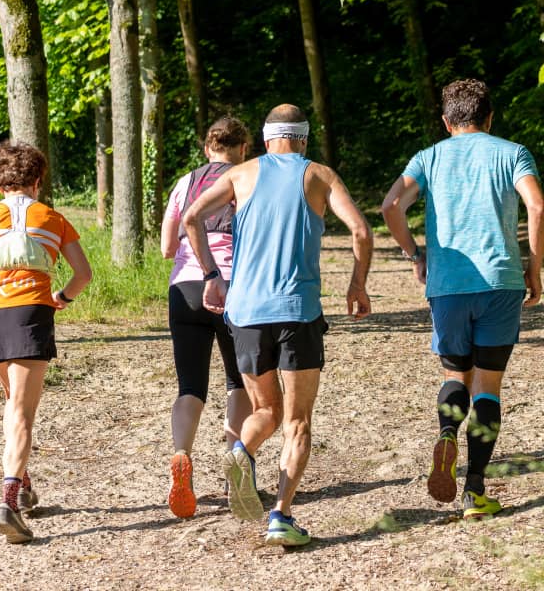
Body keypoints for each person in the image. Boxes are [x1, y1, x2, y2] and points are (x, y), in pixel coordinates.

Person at [183, 104, 373, 546]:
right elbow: (361, 231)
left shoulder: (240, 174)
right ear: (303, 138)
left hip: (246, 315)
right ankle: (281, 516)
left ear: (267, 139)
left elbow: (191, 218)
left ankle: (241, 451)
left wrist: (213, 276)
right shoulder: (319, 175)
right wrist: (357, 286)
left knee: (266, 411)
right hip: (297, 313)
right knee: (298, 421)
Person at [382, 78, 543, 519]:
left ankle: (448, 433)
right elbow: (538, 206)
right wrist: (534, 265)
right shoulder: (512, 153)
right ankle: (475, 491)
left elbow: (391, 205)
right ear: (490, 117)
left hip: (448, 285)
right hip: (501, 282)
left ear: (446, 120)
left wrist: (415, 254)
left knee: (456, 372)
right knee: (488, 385)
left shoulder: (429, 157)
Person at [0, 140, 92, 543]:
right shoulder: (54, 218)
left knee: (12, 401)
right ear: (38, 180)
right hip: (30, 311)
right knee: (23, 410)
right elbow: (83, 274)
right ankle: (8, 500)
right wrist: (61, 298)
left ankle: (24, 485)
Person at [161, 116, 253, 519]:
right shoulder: (250, 178)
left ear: (206, 149)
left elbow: (167, 245)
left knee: (190, 385)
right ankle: (238, 463)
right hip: (235, 287)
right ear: (244, 149)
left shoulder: (186, 182)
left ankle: (182, 454)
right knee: (240, 381)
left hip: (186, 288)